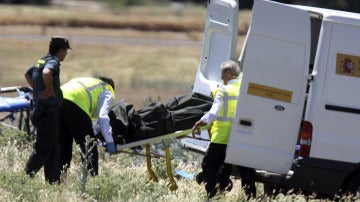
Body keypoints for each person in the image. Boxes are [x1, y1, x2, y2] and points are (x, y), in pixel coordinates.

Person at [192, 60, 256, 199]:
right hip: (242, 135)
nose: (221, 77)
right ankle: (250, 197)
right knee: (244, 167)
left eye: (222, 74)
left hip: (222, 136)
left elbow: (214, 113)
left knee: (209, 163)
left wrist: (200, 122)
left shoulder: (224, 91)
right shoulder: (246, 88)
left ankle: (213, 193)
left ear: (228, 73)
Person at [24, 36, 72, 184]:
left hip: (41, 110)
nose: (65, 55)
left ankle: (53, 183)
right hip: (47, 112)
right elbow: (46, 73)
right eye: (65, 52)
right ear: (61, 51)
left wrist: (38, 90)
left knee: (54, 149)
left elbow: (28, 74)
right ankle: (24, 179)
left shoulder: (42, 60)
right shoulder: (52, 62)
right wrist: (49, 90)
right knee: (44, 148)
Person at [59, 76, 116, 177]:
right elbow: (103, 116)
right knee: (89, 146)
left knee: (63, 145)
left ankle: (59, 180)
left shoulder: (90, 82)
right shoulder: (107, 90)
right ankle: (93, 180)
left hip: (57, 99)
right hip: (76, 102)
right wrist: (110, 141)